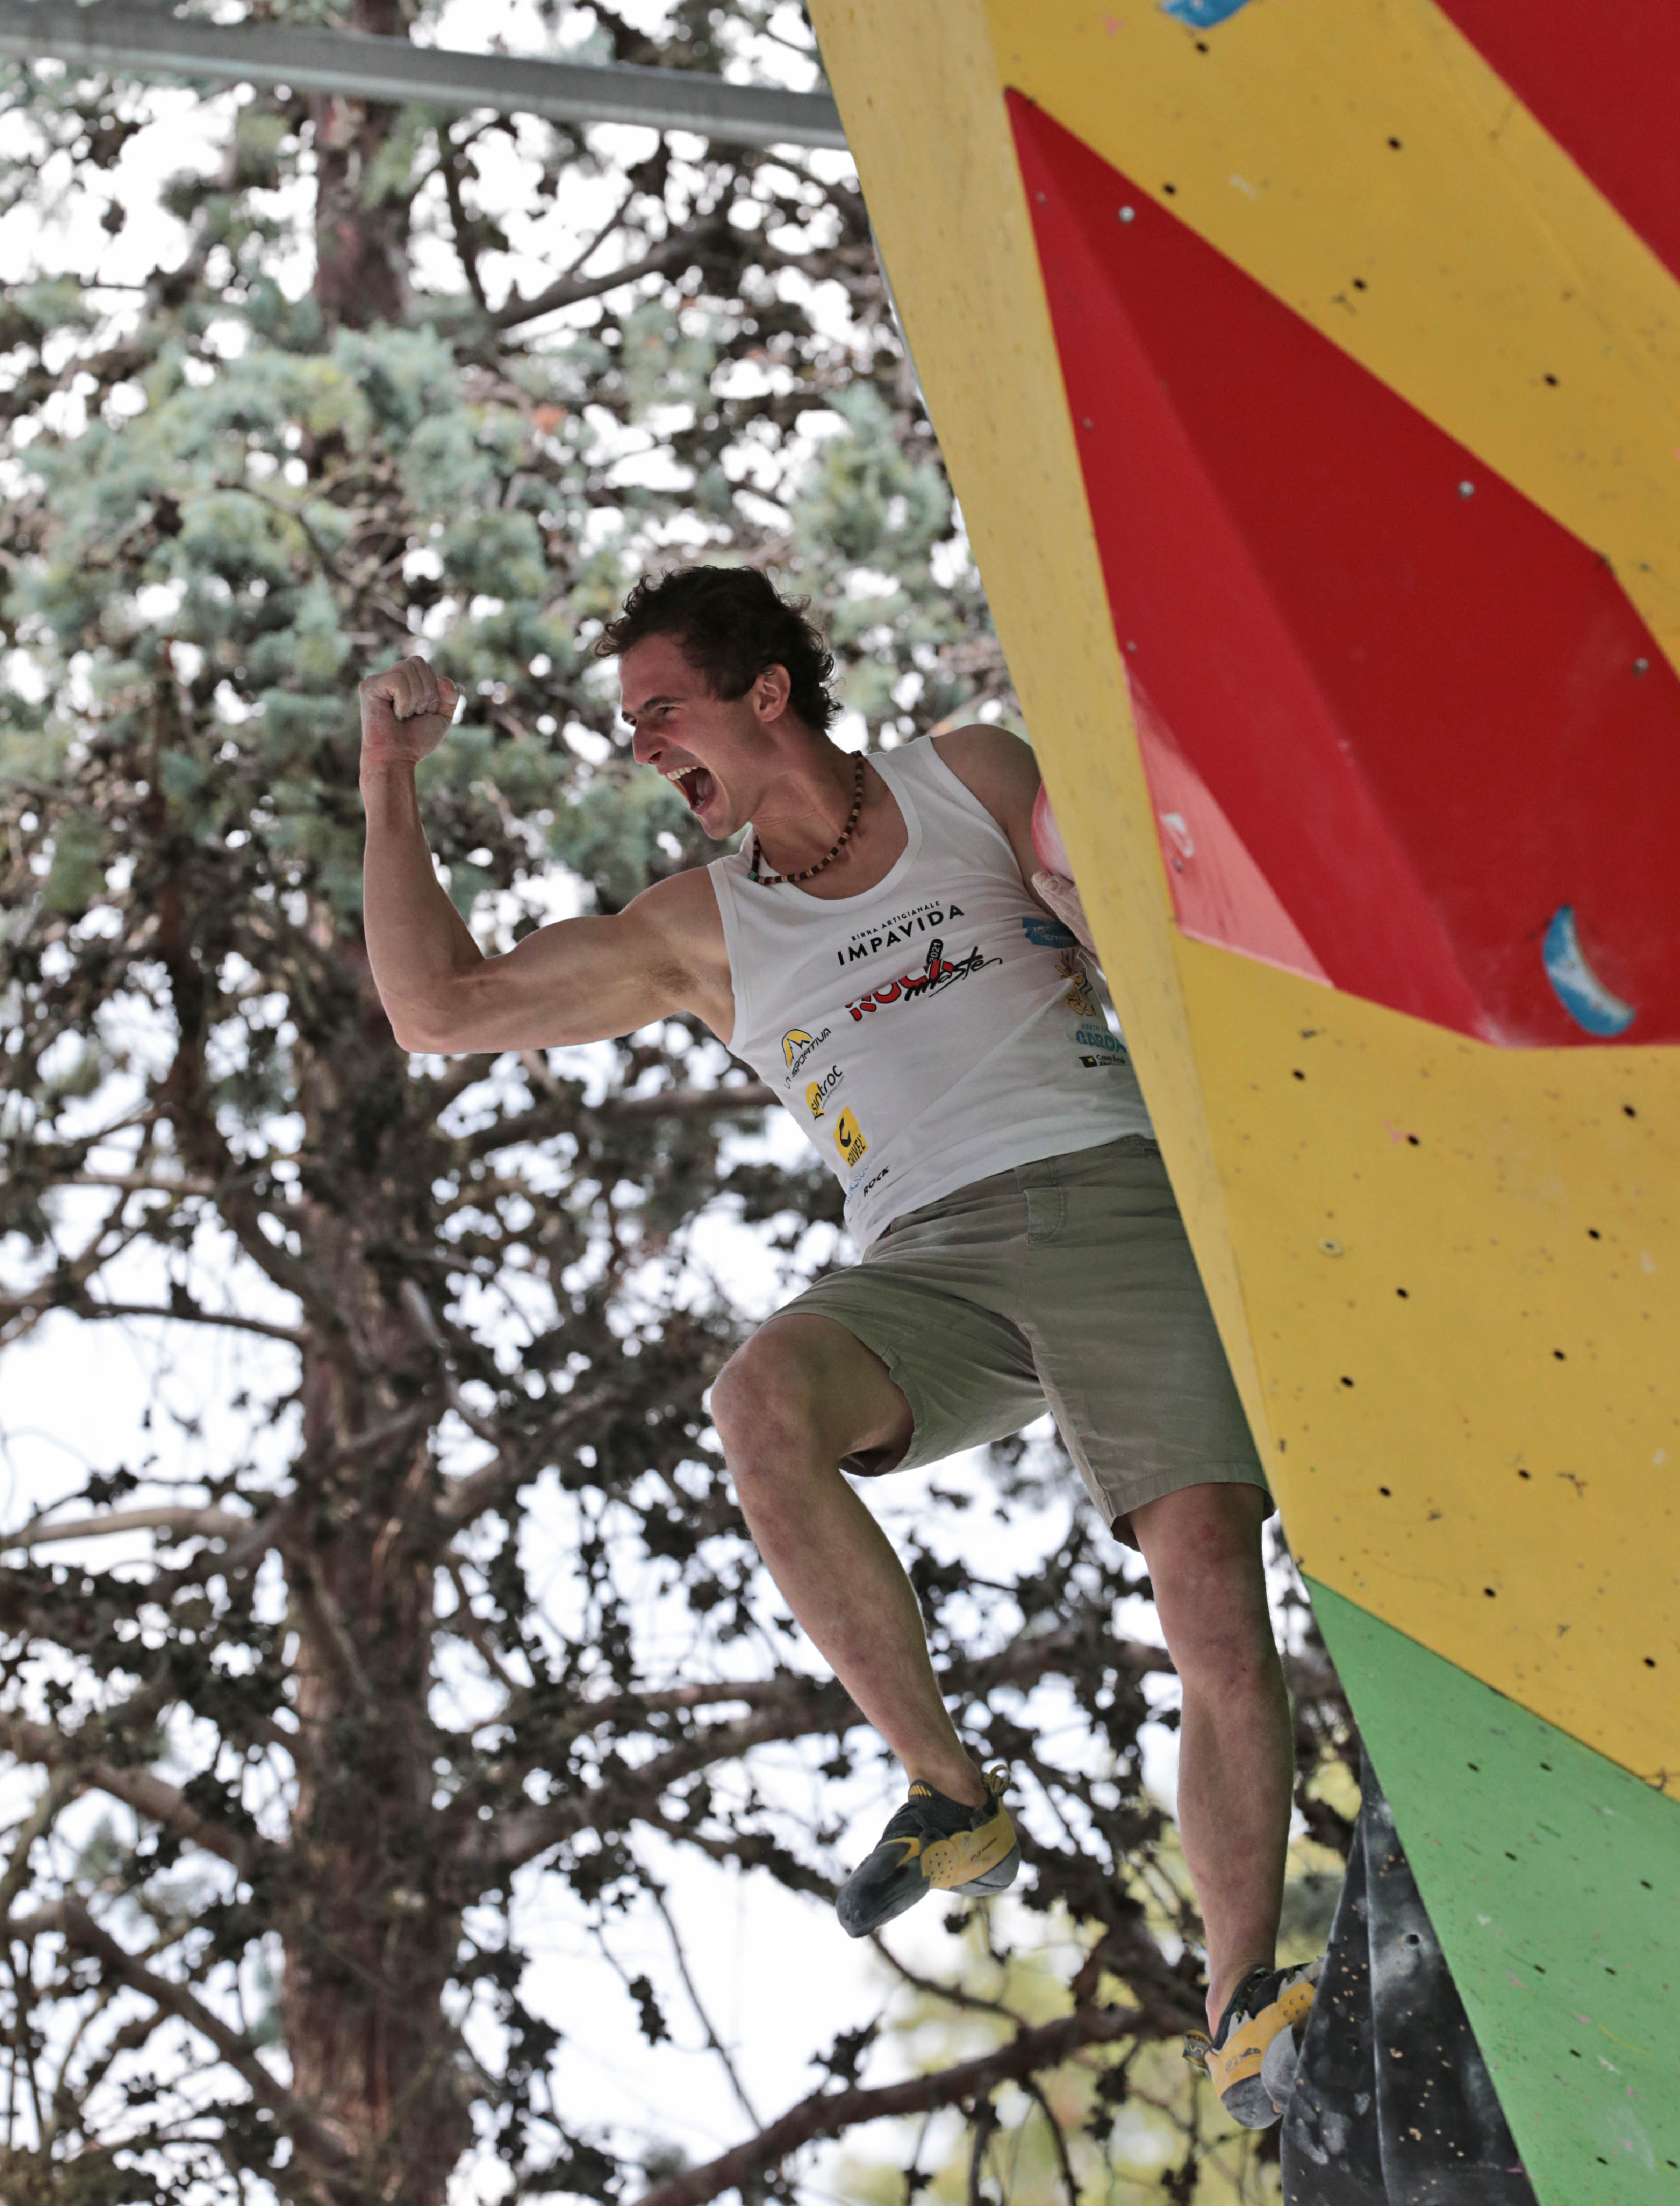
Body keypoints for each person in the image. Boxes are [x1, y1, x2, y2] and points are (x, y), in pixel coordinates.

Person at [357, 566, 1311, 2129]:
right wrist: (392, 782)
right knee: (758, 1397)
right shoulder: (700, 930)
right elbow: (437, 1010)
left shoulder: (965, 779)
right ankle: (949, 1790)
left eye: (660, 710)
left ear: (768, 692)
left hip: (1115, 1201)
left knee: (1207, 1588)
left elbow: (1134, 901)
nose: (643, 747)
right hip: (924, 1266)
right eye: (630, 727)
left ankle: (1244, 1997)